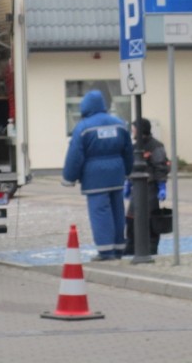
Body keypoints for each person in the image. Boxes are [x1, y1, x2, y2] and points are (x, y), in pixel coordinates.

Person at [62, 90, 134, 261]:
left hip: (95, 178)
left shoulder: (84, 127)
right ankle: (118, 247)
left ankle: (105, 250)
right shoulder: (119, 124)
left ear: (85, 106)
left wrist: (69, 177)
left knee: (100, 213)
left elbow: (75, 155)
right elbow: (128, 150)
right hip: (116, 175)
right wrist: (128, 171)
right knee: (117, 211)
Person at [123, 118, 169, 256]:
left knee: (151, 219)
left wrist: (161, 186)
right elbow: (131, 166)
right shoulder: (135, 146)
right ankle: (131, 245)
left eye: (134, 128)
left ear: (140, 130)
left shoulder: (155, 146)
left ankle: (152, 247)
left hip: (150, 187)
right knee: (131, 217)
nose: (132, 131)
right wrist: (128, 182)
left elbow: (161, 166)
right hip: (136, 188)